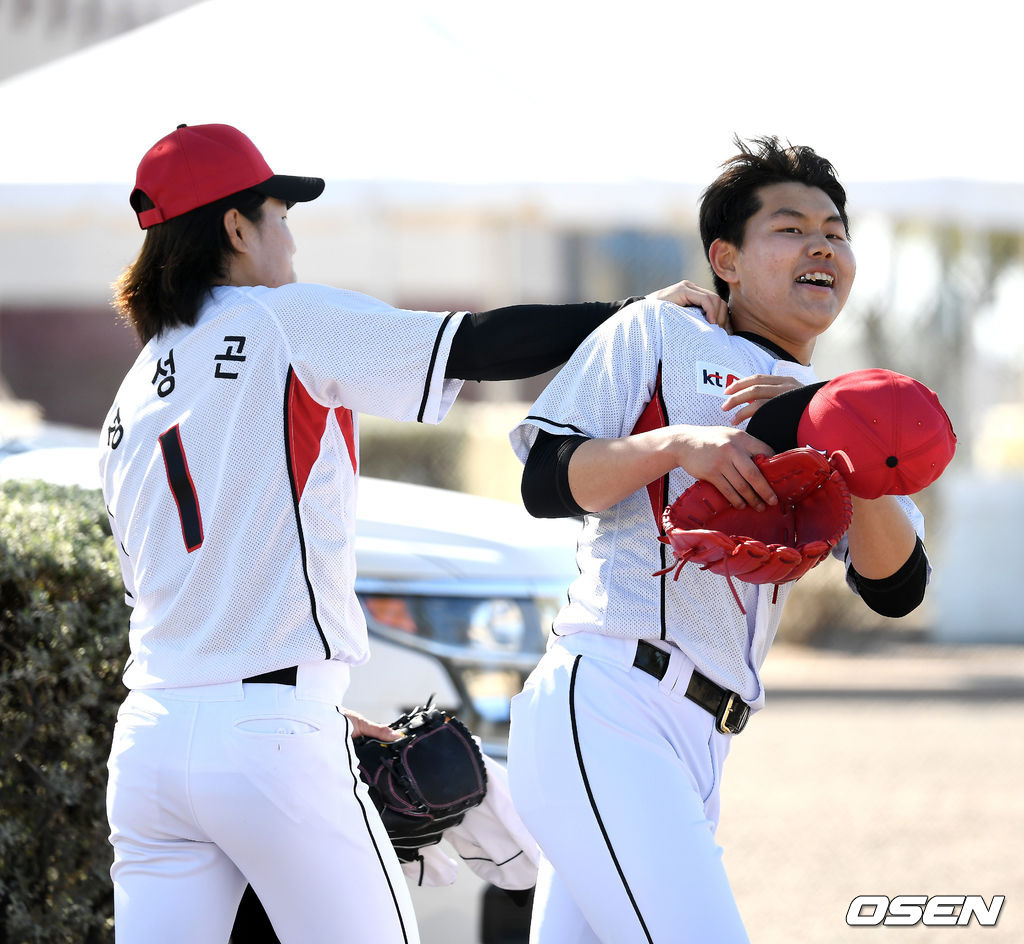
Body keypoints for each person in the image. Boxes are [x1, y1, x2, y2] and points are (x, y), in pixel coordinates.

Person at [97, 121, 727, 944]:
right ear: (235, 228)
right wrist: (628, 317)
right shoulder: (279, 320)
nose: (290, 235)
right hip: (268, 739)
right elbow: (478, 343)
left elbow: (167, 589)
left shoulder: (132, 393)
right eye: (281, 213)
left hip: (149, 743)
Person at [506, 136, 930, 943]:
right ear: (724, 259)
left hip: (700, 741)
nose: (821, 244)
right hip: (610, 702)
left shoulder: (835, 404)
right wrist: (672, 445)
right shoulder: (660, 333)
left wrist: (843, 440)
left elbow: (895, 587)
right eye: (790, 226)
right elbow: (545, 480)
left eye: (836, 231)